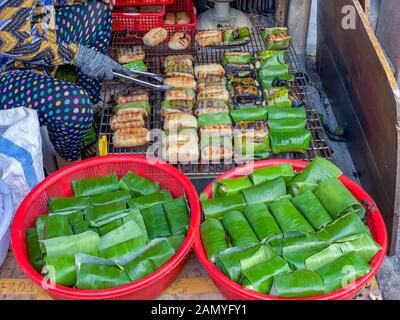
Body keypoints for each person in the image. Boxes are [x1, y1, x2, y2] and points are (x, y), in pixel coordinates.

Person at [0, 0, 128, 165]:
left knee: (97, 11)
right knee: (73, 104)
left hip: (38, 36)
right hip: (7, 72)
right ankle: (68, 162)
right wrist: (77, 55)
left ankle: (92, 106)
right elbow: (11, 43)